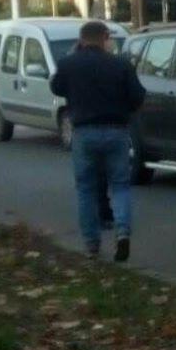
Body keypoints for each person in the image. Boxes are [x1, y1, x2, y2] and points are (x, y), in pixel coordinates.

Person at [50, 19, 145, 262]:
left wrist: (73, 57)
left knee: (86, 189)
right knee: (120, 185)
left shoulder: (69, 64)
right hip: (116, 130)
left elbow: (56, 87)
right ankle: (122, 231)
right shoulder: (120, 65)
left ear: (81, 40)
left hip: (83, 132)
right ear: (104, 38)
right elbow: (137, 97)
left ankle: (92, 244)